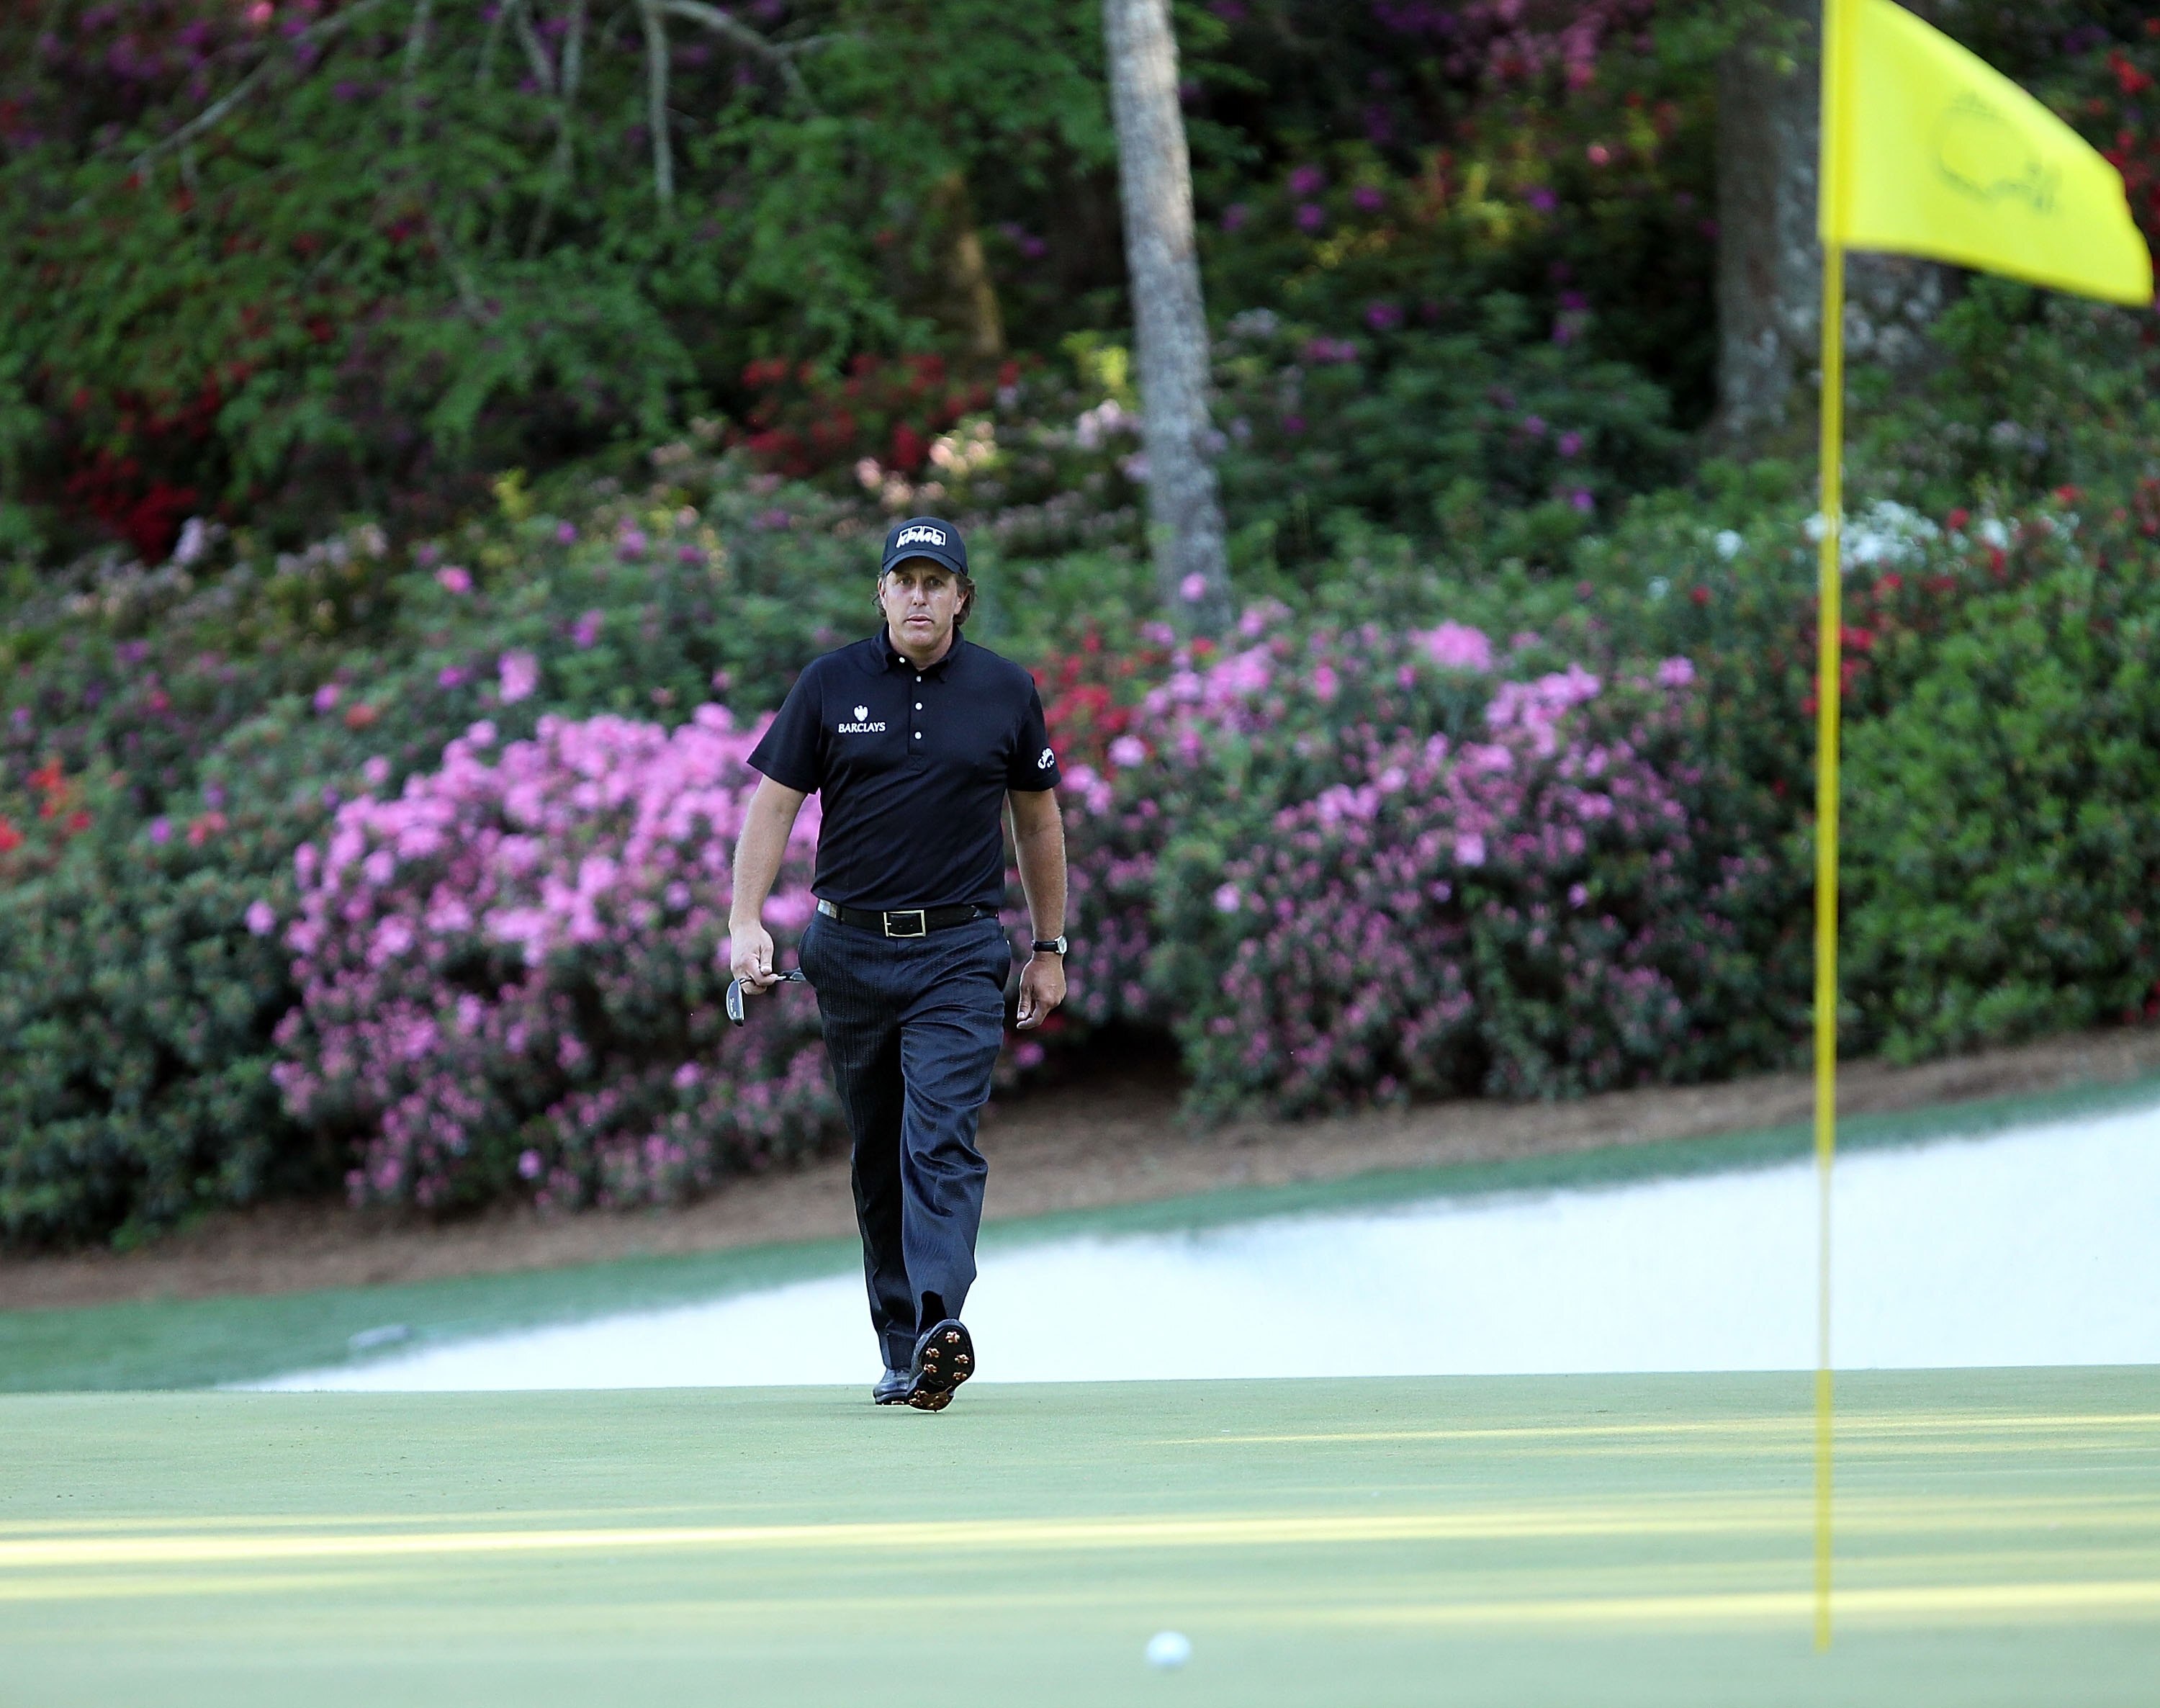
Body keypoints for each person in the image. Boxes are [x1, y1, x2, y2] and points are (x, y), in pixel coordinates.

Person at [728, 516, 1068, 1411]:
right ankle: (898, 1346)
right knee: (879, 1150)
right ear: (881, 592)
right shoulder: (830, 682)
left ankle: (935, 1325)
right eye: (904, 579)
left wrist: (1048, 945)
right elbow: (773, 808)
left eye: (936, 580)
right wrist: (745, 921)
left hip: (959, 951)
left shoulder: (1005, 689)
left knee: (940, 1138)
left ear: (962, 595)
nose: (919, 594)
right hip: (847, 951)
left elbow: (1037, 821)